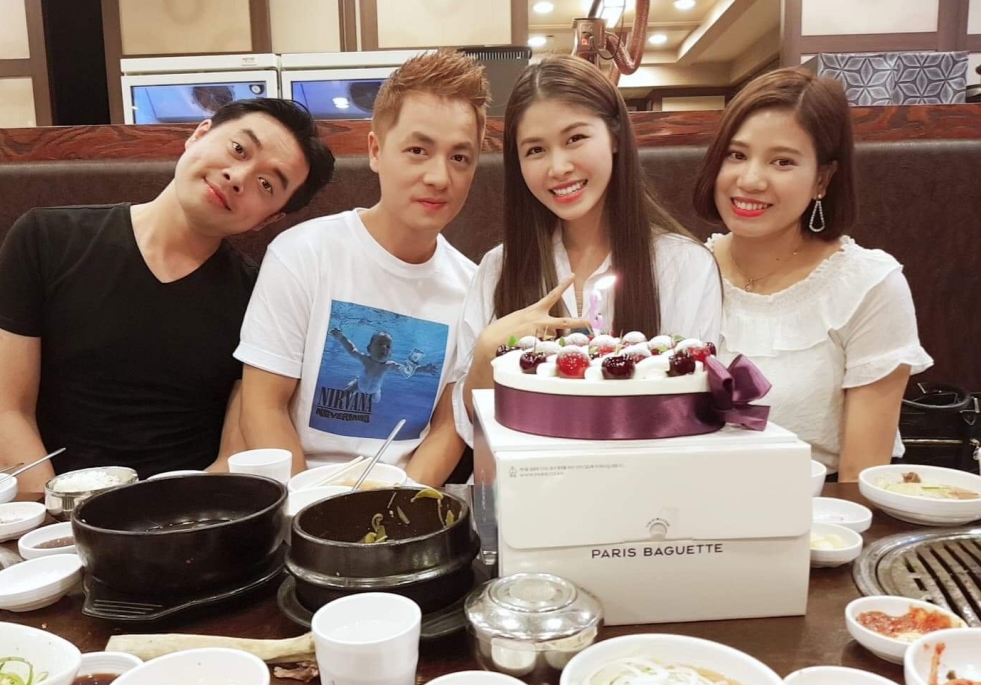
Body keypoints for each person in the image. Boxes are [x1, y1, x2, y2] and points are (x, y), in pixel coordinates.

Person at [0, 98, 335, 491]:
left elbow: (231, 455)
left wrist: (175, 517)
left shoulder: (257, 294)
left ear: (268, 219)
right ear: (199, 134)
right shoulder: (45, 239)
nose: (238, 177)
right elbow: (6, 410)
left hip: (185, 510)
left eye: (266, 184)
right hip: (58, 505)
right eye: (238, 149)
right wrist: (55, 513)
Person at [235, 51, 490, 486]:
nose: (439, 177)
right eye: (417, 150)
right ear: (376, 150)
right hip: (298, 492)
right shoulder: (302, 253)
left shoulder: (473, 288)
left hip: (401, 497)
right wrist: (308, 506)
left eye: (460, 158)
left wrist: (396, 506)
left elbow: (448, 428)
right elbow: (263, 406)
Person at [453, 54, 721, 443]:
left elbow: (694, 406)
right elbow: (470, 428)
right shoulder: (498, 268)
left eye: (575, 138)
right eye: (535, 150)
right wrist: (484, 355)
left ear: (615, 136)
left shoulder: (684, 265)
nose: (558, 167)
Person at [691, 68, 932, 480]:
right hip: (685, 506)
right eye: (737, 155)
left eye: (782, 161)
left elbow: (861, 477)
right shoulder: (685, 270)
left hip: (820, 509)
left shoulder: (868, 285)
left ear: (822, 178)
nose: (750, 180)